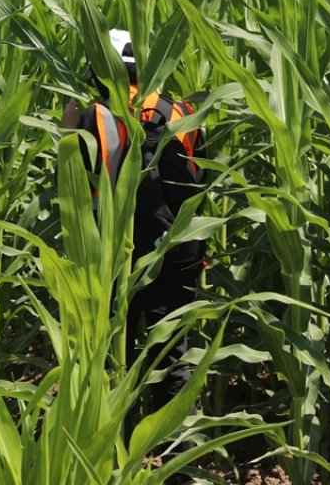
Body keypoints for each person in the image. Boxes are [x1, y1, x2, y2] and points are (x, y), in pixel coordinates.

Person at [61, 29, 207, 414]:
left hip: (116, 260)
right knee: (173, 361)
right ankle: (182, 463)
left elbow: (74, 188)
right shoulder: (182, 112)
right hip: (176, 254)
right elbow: (202, 181)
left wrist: (65, 133)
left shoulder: (96, 117)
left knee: (112, 360)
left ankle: (113, 455)